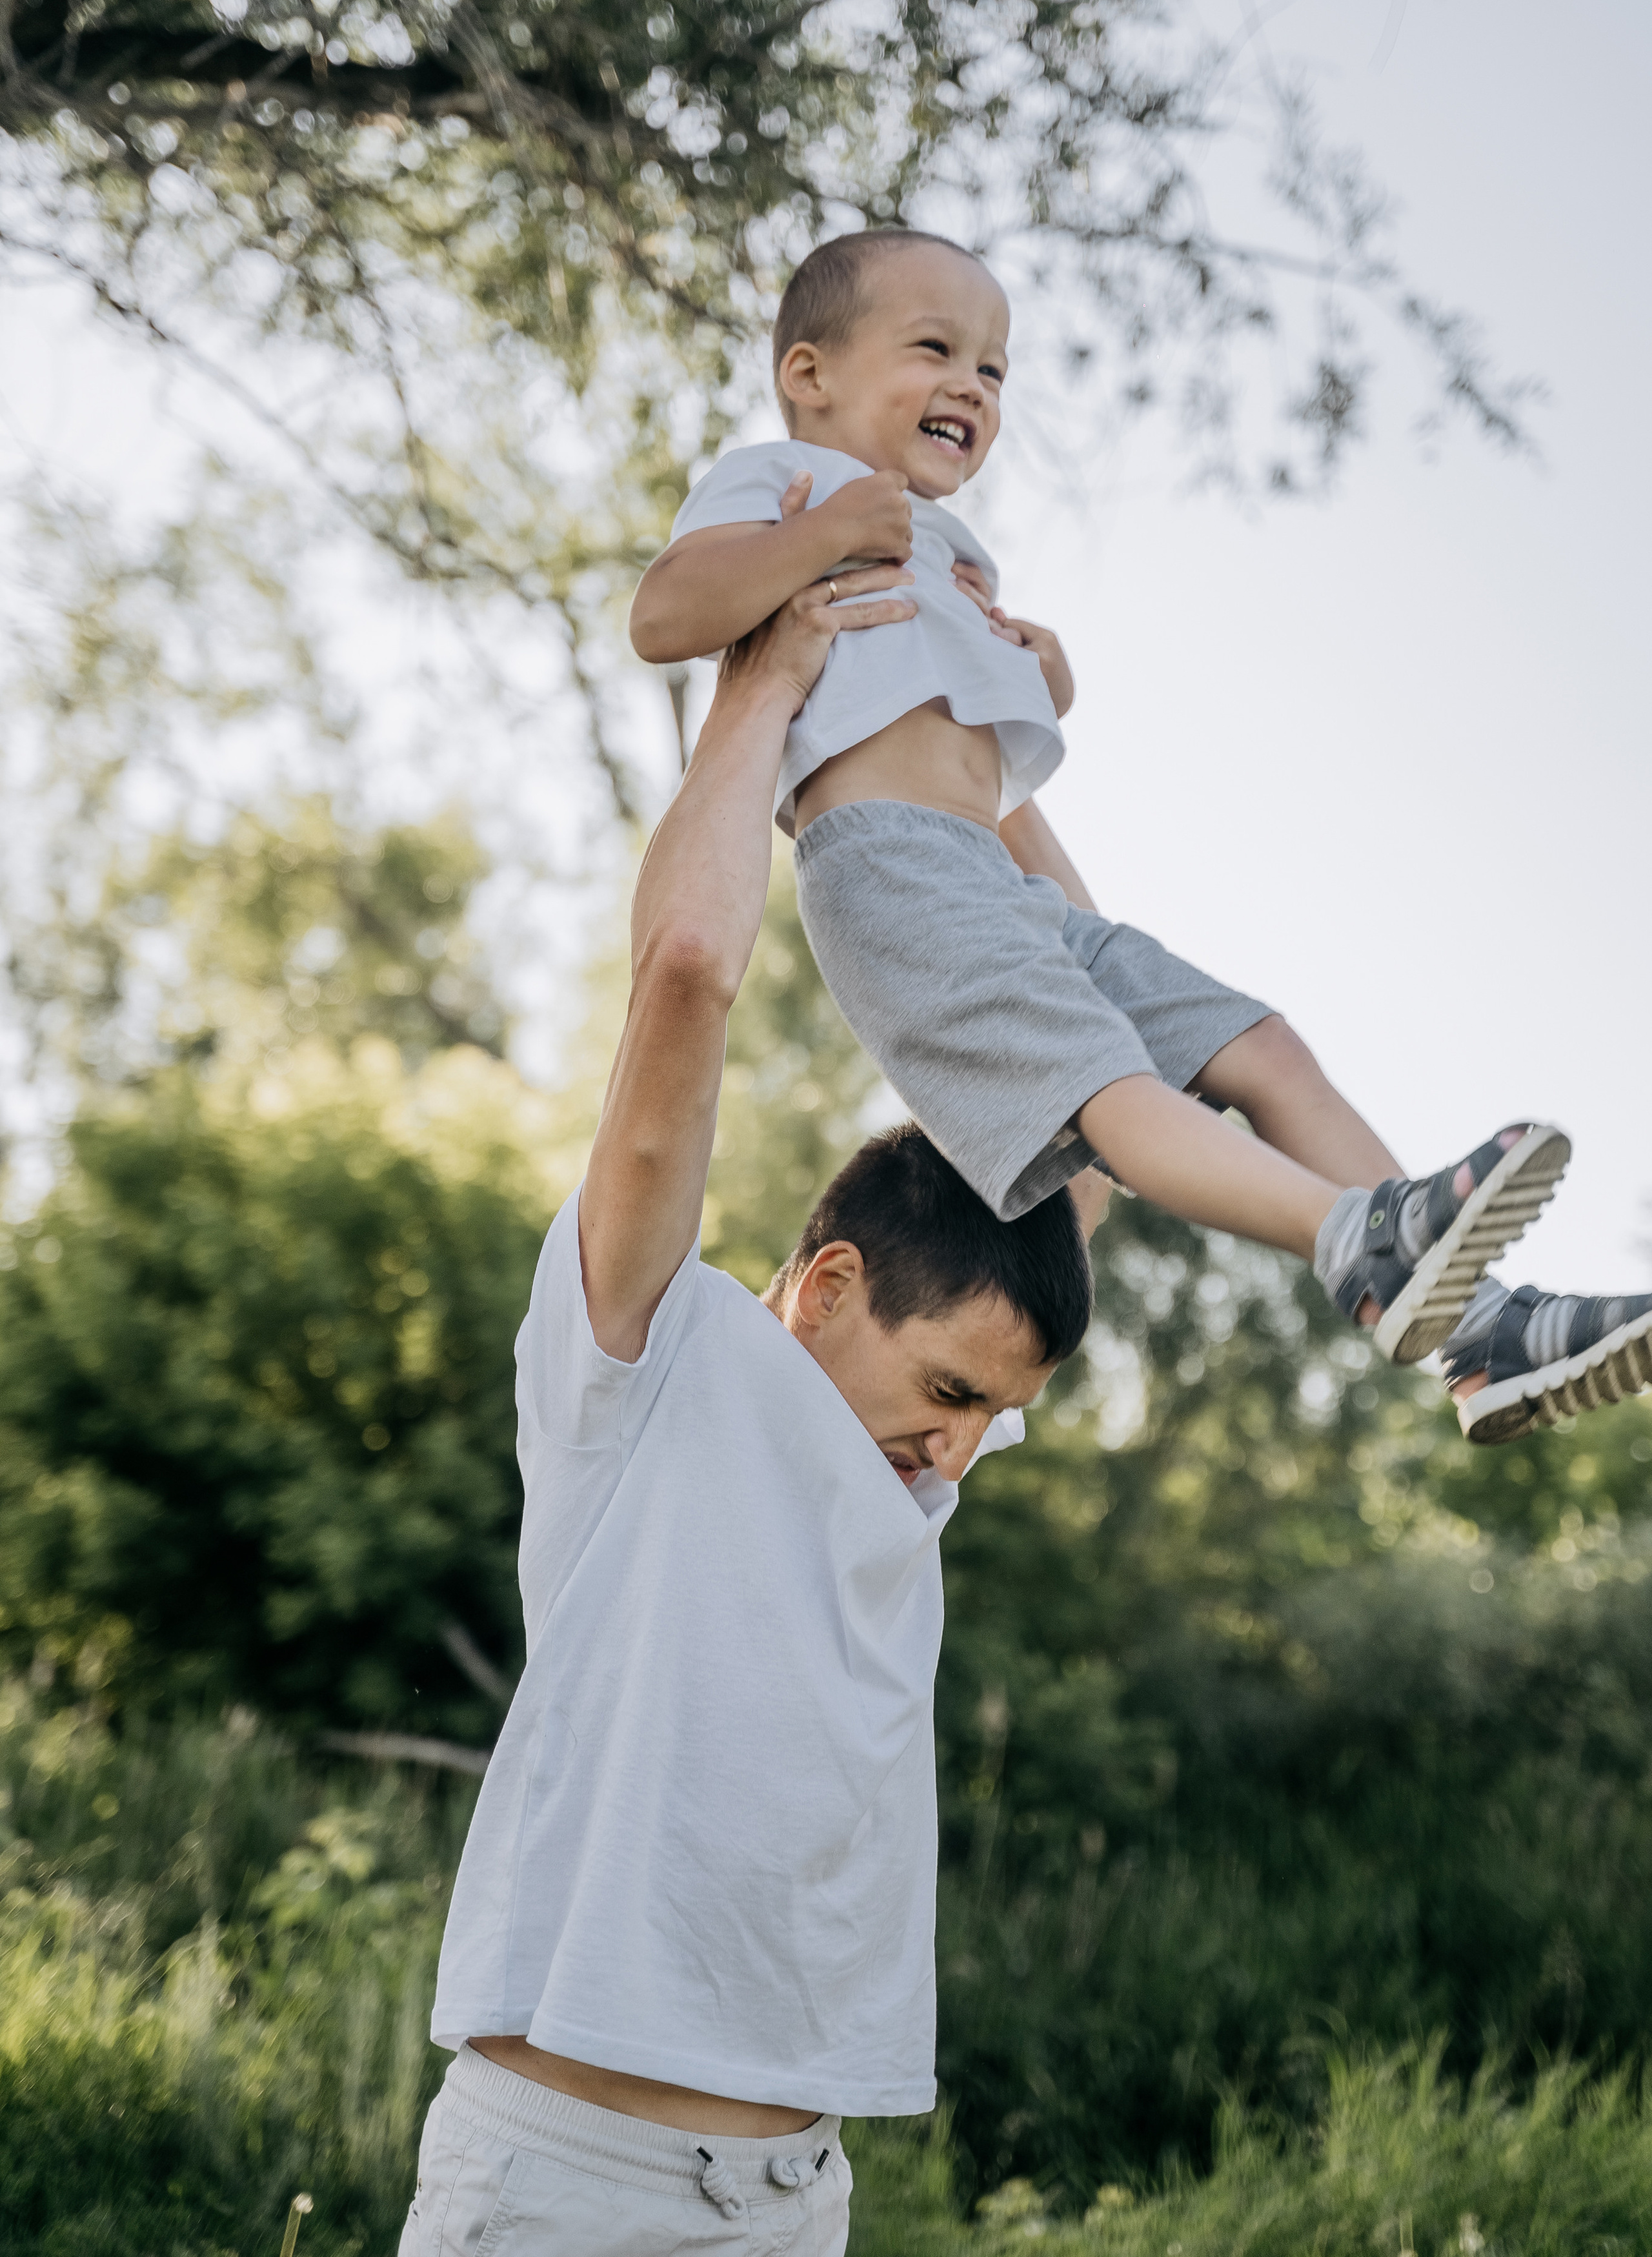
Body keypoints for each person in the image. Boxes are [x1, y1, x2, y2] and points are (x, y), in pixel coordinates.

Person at [629, 227, 1652, 1448]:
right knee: (1108, 1099)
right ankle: (1353, 1243)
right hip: (890, 871)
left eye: (996, 371)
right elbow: (666, 614)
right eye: (936, 349)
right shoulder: (782, 482)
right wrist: (823, 535)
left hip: (1008, 889)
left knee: (1260, 1048)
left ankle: (1479, 1334)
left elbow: (963, 743)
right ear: (811, 373)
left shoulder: (951, 544)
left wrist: (1033, 675)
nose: (972, 384)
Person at [399, 559, 1107, 2256]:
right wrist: (768, 683)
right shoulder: (642, 1371)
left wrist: (983, 759)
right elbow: (691, 974)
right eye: (946, 1393)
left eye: (991, 1417)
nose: (959, 1448)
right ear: (831, 1284)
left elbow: (1091, 1053)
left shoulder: (906, 1473)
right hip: (564, 2177)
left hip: (792, 2200)